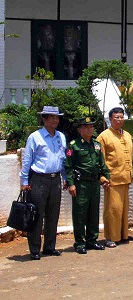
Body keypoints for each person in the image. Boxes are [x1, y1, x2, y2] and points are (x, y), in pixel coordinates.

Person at [20, 106, 68, 260]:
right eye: (52, 117)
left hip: (56, 180)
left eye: (57, 117)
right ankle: (34, 249)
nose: (55, 120)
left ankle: (49, 247)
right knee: (37, 214)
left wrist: (65, 178)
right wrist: (24, 181)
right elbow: (27, 160)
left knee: (53, 215)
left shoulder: (61, 136)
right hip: (39, 179)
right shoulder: (35, 137)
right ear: (44, 119)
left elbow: (63, 159)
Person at [65, 117, 110, 254]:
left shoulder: (97, 145)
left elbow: (102, 164)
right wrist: (71, 184)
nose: (90, 129)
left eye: (91, 126)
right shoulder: (74, 145)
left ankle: (92, 240)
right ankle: (79, 243)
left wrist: (106, 177)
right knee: (80, 214)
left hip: (94, 184)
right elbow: (69, 166)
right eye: (86, 127)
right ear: (80, 130)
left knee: (93, 212)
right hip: (81, 184)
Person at [96, 107, 133, 247]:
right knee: (113, 210)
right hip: (112, 179)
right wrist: (102, 177)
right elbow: (100, 159)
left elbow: (132, 158)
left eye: (121, 117)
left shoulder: (128, 135)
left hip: (126, 178)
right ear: (110, 119)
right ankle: (111, 237)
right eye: (116, 117)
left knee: (124, 210)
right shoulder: (103, 136)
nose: (119, 119)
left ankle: (123, 235)